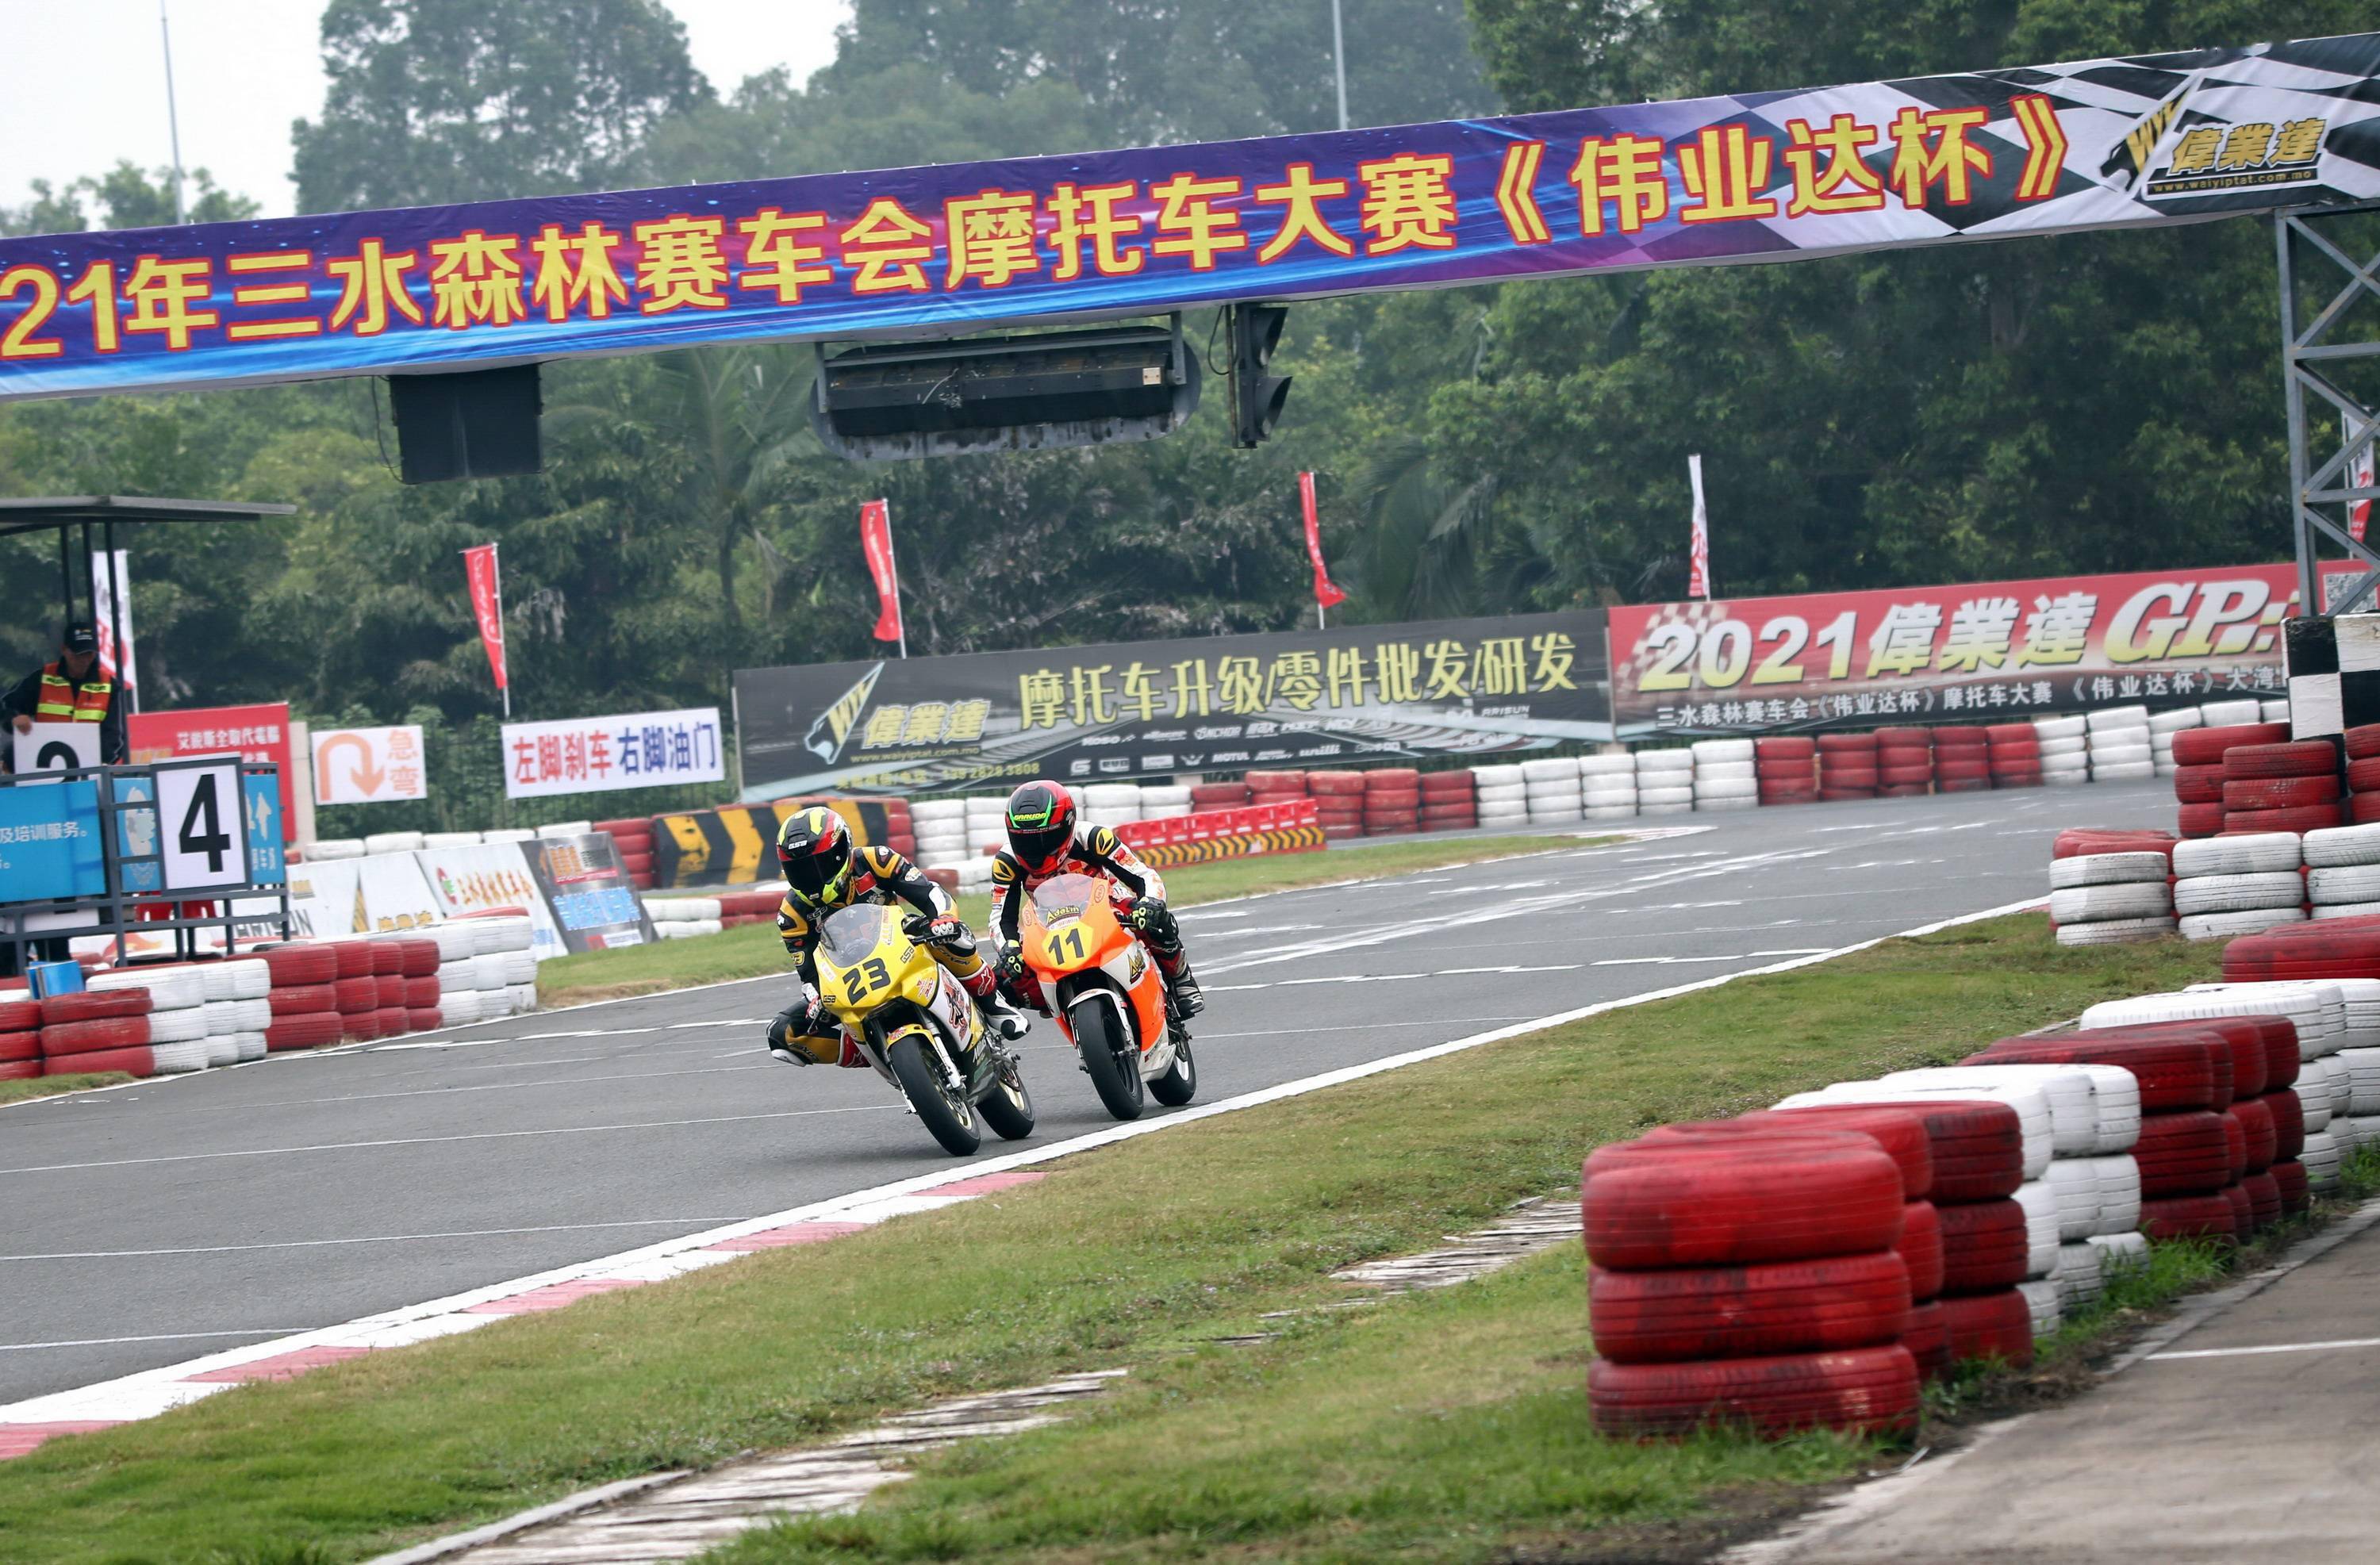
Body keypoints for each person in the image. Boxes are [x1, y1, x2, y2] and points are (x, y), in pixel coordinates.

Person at [764, 805, 1028, 1067]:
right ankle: (871, 1050)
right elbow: (809, 975)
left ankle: (992, 1003)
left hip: (900, 945)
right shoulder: (791, 914)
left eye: (819, 864)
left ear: (842, 850)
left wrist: (944, 918)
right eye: (800, 870)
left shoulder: (876, 860)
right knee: (782, 1034)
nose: (811, 876)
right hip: (847, 979)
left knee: (953, 935)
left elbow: (929, 893)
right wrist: (816, 999)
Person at [989, 780, 1203, 1024]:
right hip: (1049, 924)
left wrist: (1150, 903)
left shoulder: (1093, 838)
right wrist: (1009, 948)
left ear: (1068, 824)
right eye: (1025, 840)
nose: (1036, 848)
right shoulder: (1007, 862)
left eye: (1047, 837)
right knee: (1003, 976)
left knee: (1154, 919)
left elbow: (1143, 875)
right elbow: (1000, 917)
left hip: (1107, 908)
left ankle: (1180, 979)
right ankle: (1054, 1001)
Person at [4, 625, 125, 770]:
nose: (83, 660)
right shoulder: (42, 678)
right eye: (77, 654)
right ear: (64, 650)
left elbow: (114, 735)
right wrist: (14, 719)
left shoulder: (109, 685)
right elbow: (6, 706)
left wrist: (99, 761)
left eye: (88, 654)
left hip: (92, 769)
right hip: (44, 769)